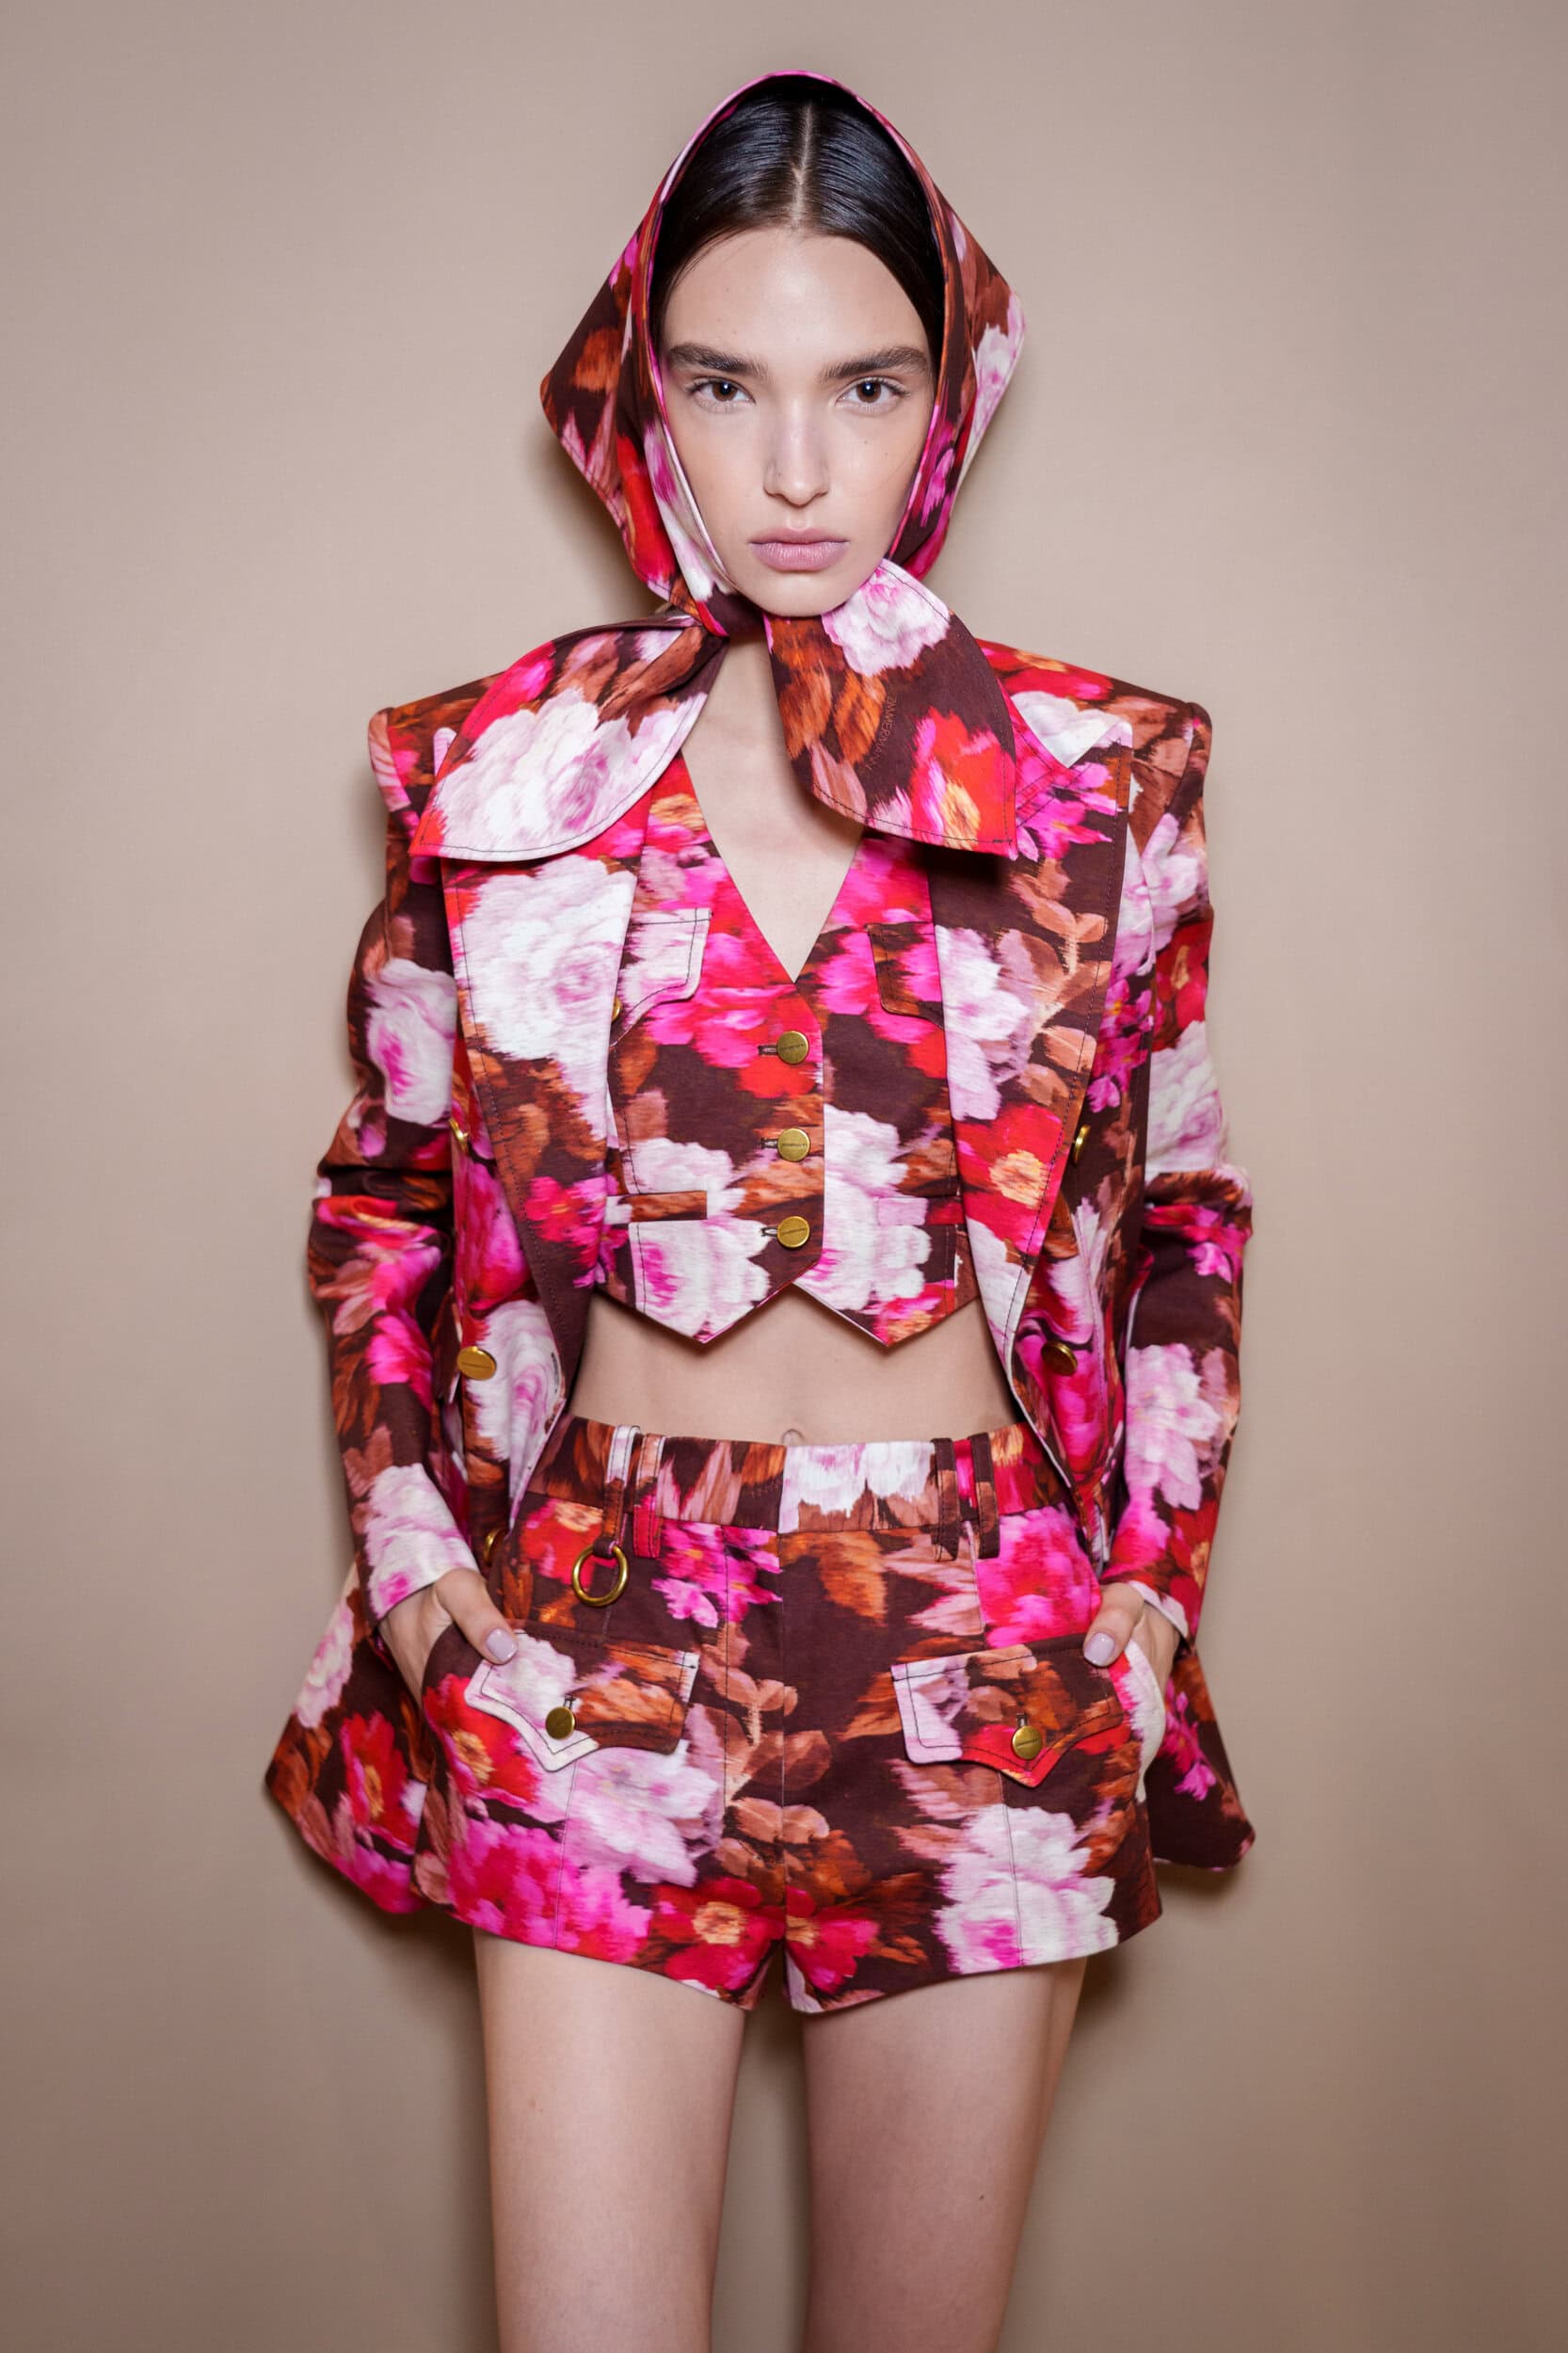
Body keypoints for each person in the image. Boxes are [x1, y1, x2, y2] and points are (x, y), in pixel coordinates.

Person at [265, 66, 1256, 2353]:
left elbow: (1182, 1209)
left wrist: (1137, 1602)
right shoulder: (496, 774)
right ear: (639, 398)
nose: (795, 466)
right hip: (591, 1619)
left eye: (862, 385)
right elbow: (385, 1204)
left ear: (947, 395)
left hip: (983, 1631)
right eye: (726, 385)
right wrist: (425, 1601)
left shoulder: (1098, 779)